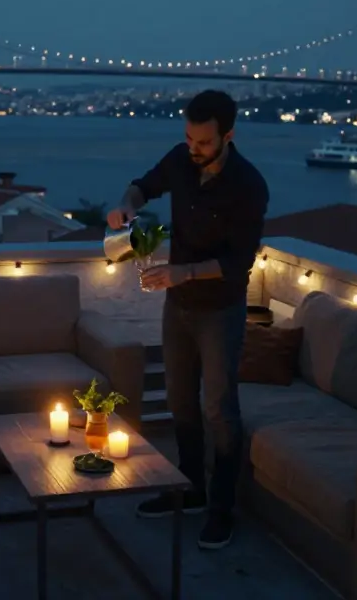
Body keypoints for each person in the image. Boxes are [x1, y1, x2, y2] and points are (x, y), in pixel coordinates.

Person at [106, 89, 268, 550]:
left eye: (202, 142)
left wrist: (183, 272)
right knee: (180, 401)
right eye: (188, 138)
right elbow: (144, 184)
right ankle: (189, 488)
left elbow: (239, 262)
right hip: (178, 306)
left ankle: (222, 510)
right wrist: (127, 204)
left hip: (220, 309)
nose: (193, 148)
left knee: (218, 408)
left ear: (227, 136)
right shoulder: (180, 159)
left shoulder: (248, 185)